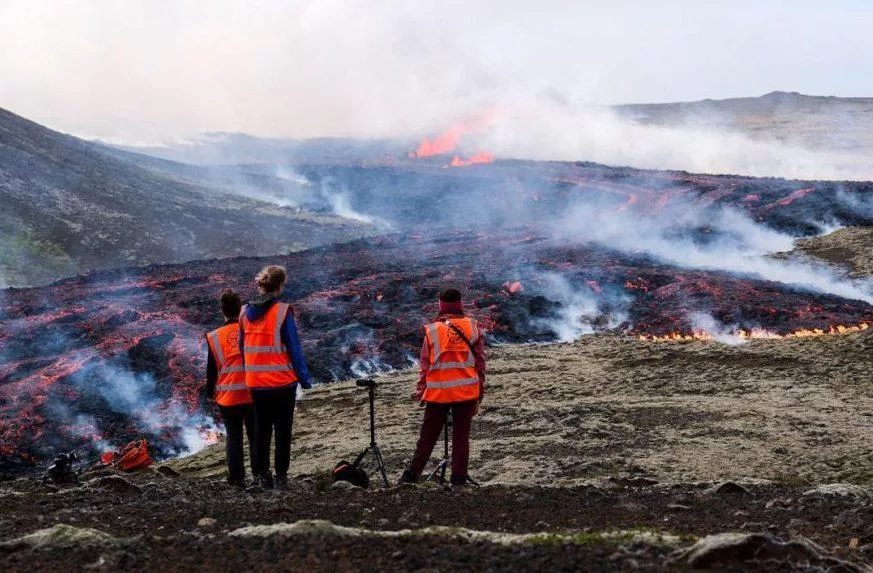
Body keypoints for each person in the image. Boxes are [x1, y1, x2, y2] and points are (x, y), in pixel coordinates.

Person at [399, 288, 486, 486]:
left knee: (427, 438)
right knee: (461, 439)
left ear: (440, 305)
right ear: (460, 304)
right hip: (465, 391)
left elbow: (425, 365)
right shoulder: (472, 326)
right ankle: (458, 480)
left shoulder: (432, 330)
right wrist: (480, 392)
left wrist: (422, 391)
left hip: (438, 393)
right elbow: (480, 362)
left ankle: (411, 477)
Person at [239, 265, 312, 490]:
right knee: (282, 431)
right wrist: (304, 379)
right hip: (281, 383)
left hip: (256, 384)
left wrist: (249, 374)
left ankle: (263, 476)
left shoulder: (243, 313)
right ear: (280, 286)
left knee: (261, 431)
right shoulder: (282, 312)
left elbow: (243, 348)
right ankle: (281, 477)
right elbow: (293, 347)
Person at [205, 289, 258, 487]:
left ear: (222, 310)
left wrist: (210, 392)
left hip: (228, 396)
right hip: (252, 392)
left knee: (234, 436)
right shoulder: (251, 329)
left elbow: (212, 369)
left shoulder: (214, 336)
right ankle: (259, 474)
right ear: (240, 308)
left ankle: (237, 478)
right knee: (255, 435)